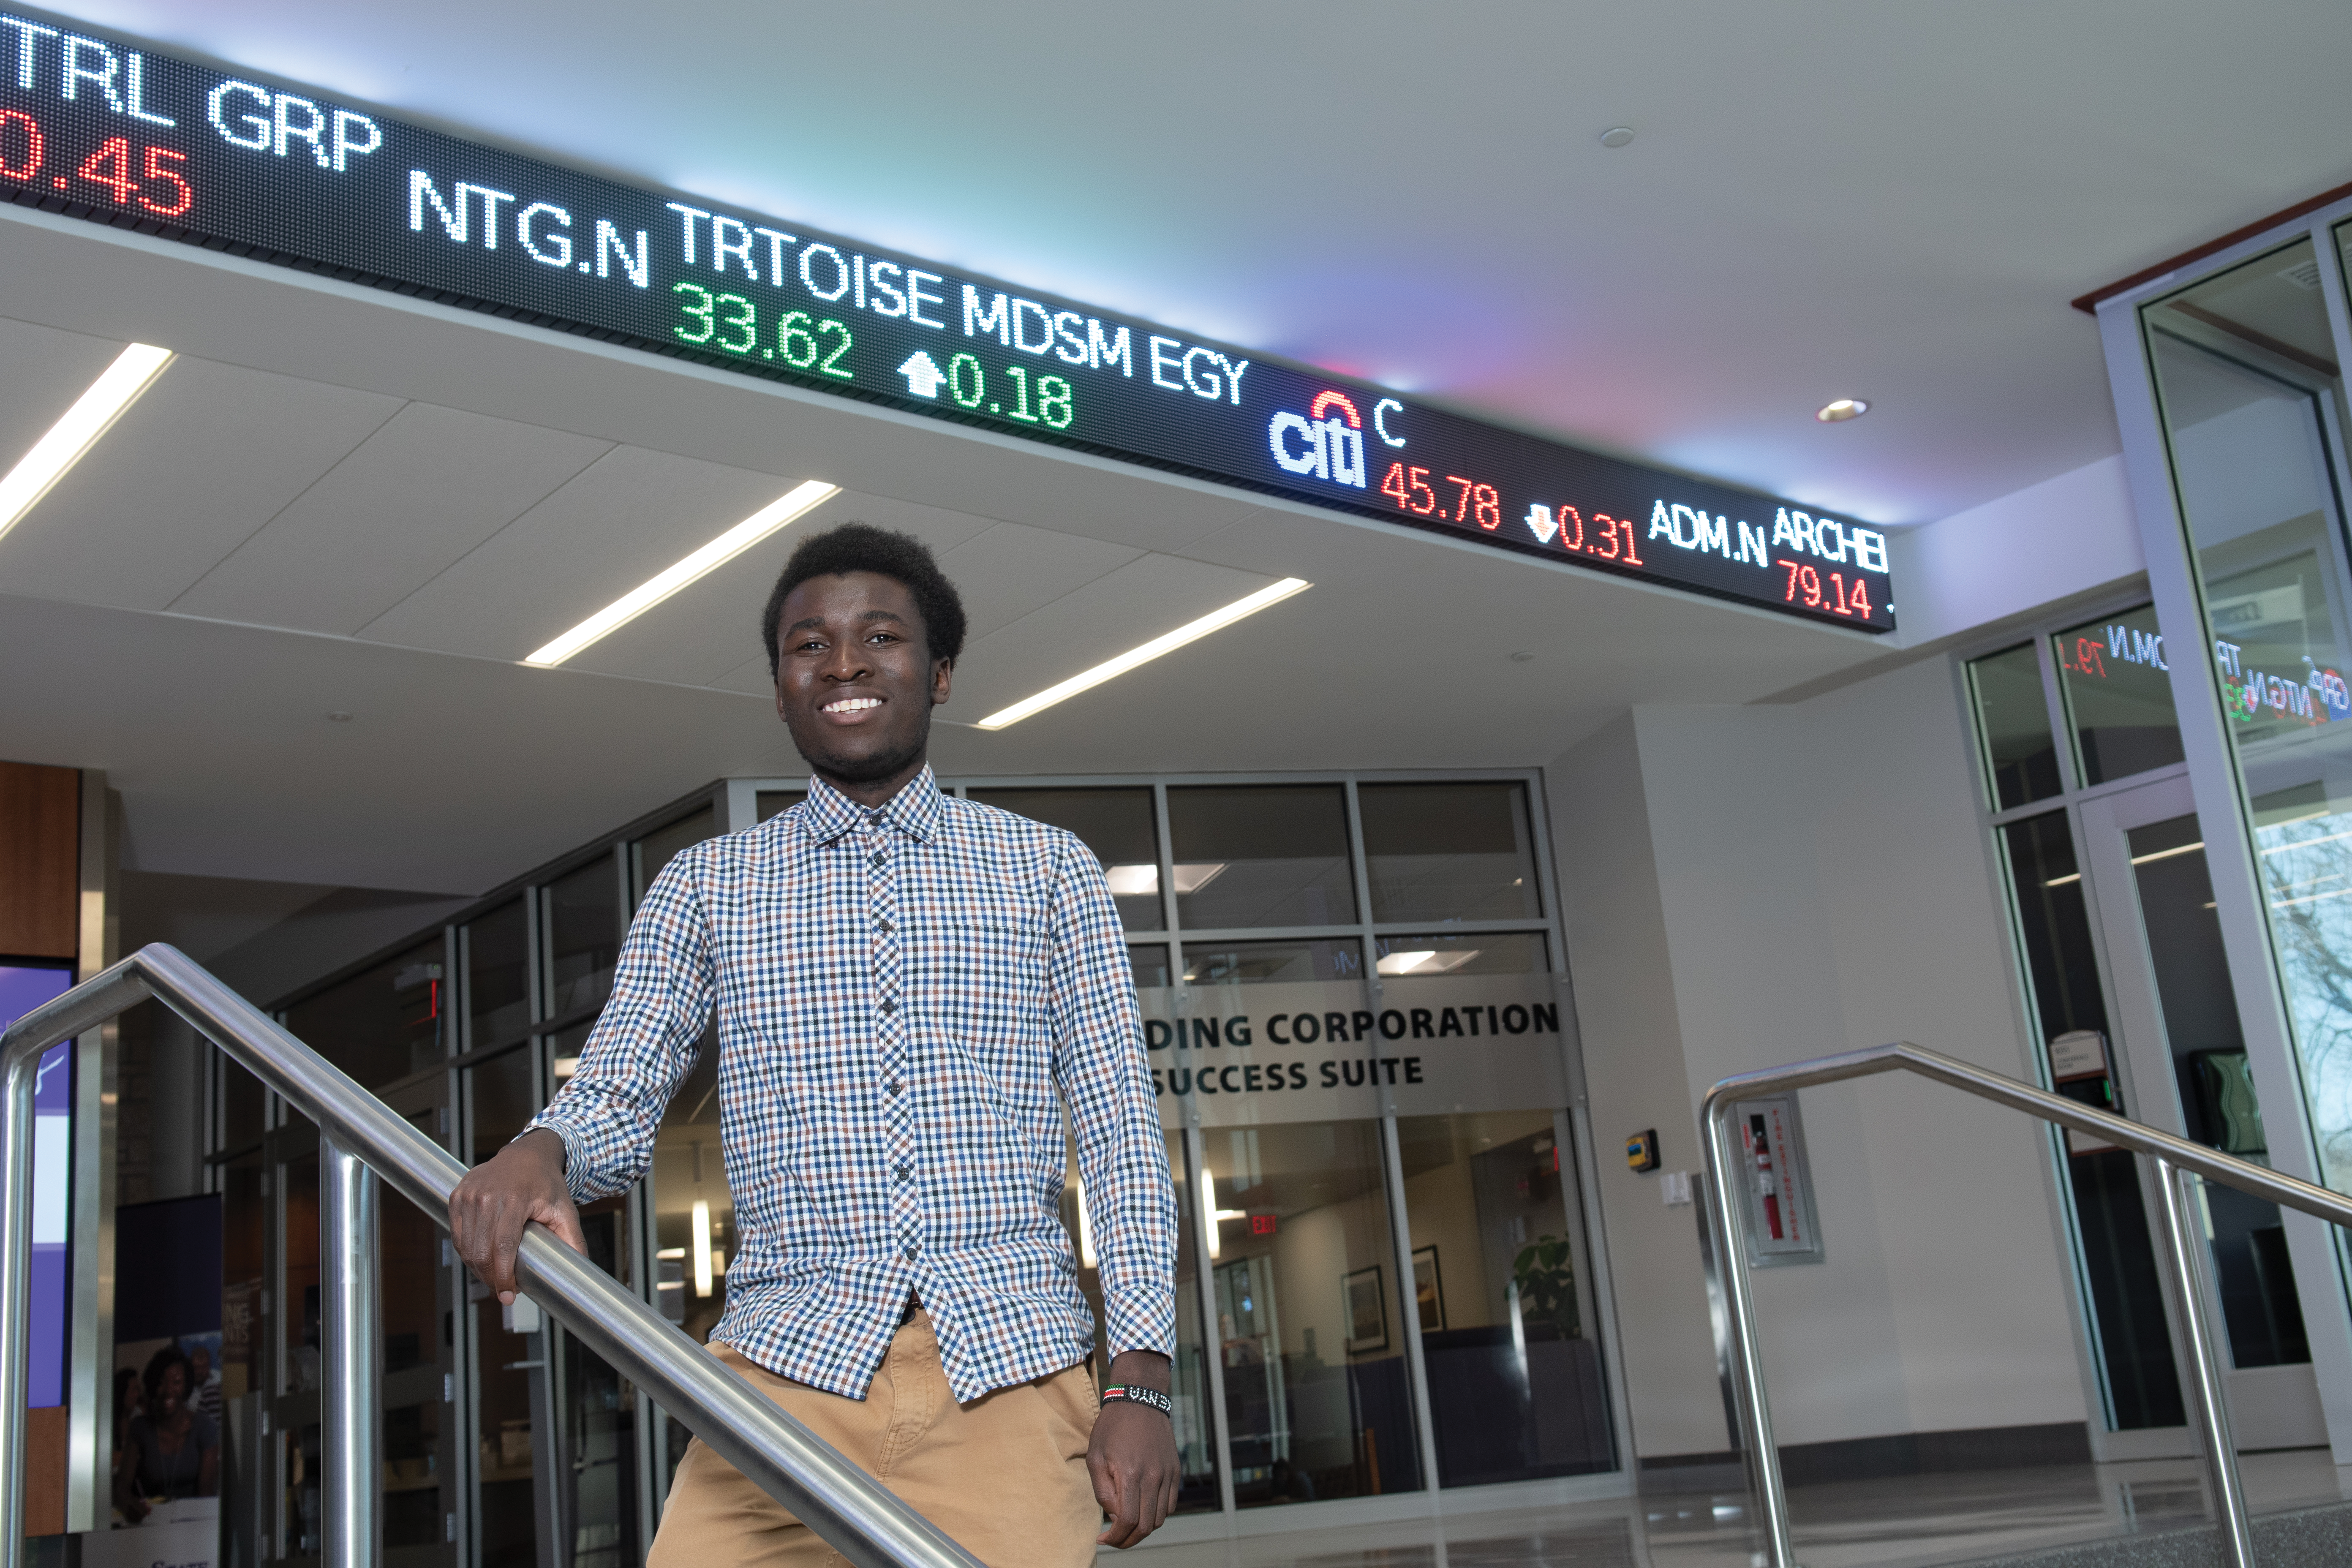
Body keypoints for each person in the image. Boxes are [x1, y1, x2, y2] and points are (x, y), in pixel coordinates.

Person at [452, 523, 1181, 1565]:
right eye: (808, 645)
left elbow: (1118, 1133)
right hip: (781, 1383)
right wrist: (542, 1148)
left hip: (1011, 1374)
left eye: (878, 637)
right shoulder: (706, 886)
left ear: (936, 673)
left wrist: (1139, 1381)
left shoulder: (1047, 870)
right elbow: (613, 1095)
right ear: (780, 687)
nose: (842, 663)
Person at [113, 1345, 218, 1522]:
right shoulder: (139, 1428)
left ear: (186, 1387)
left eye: (177, 1382)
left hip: (194, 1525)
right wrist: (128, 1504)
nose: (169, 1390)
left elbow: (205, 1497)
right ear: (153, 1386)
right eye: (161, 1382)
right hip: (150, 1523)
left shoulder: (205, 1428)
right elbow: (122, 1486)